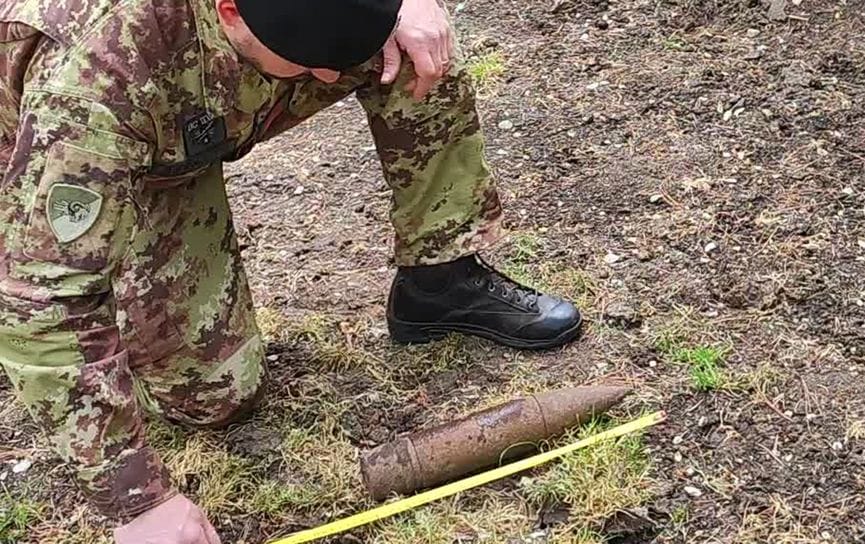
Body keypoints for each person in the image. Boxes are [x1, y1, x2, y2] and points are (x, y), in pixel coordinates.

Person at [0, 0, 583, 541]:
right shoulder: (93, 85)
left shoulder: (287, 33)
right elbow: (41, 301)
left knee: (415, 47)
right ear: (229, 9)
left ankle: (440, 281)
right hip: (116, 152)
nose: (330, 75)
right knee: (215, 396)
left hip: (212, 90)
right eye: (313, 57)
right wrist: (138, 505)